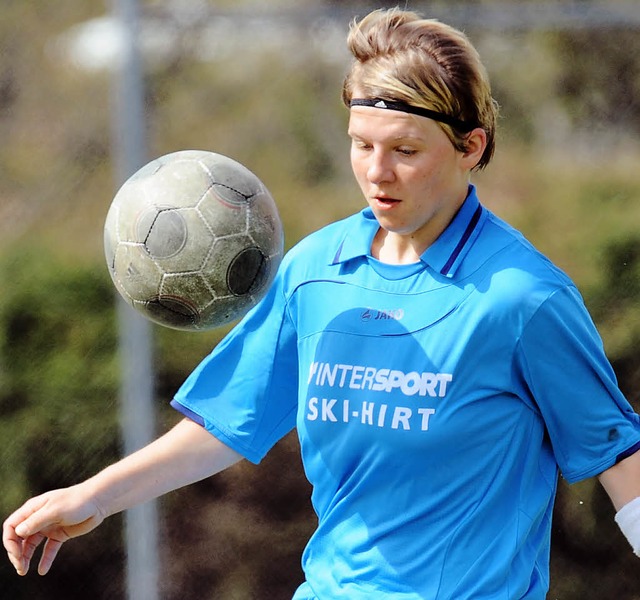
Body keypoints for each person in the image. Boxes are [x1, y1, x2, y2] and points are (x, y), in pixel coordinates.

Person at [4, 8, 640, 599]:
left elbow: (621, 468)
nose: (377, 172)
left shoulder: (523, 300)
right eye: (362, 144)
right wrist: (96, 496)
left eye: (405, 150)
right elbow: (228, 423)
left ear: (470, 147)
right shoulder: (315, 270)